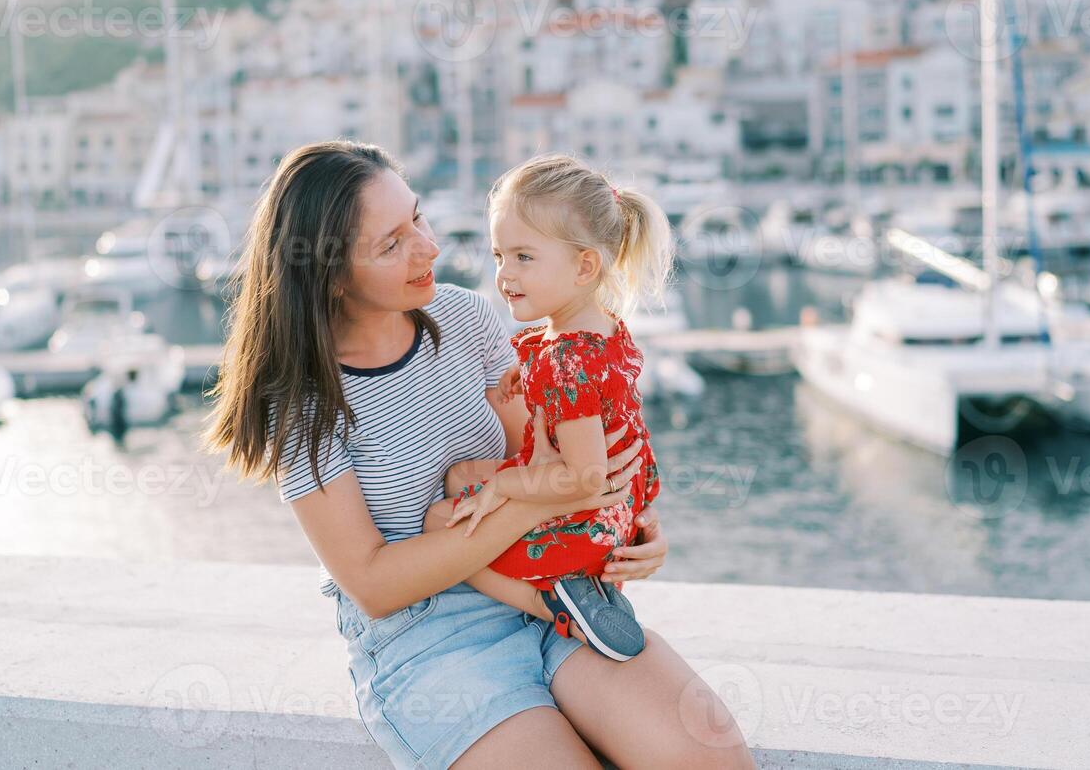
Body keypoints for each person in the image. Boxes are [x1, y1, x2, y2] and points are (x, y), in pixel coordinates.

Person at [204, 140, 751, 769]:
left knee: (710, 758)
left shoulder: (468, 317)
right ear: (329, 273)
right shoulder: (302, 401)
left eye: (418, 217)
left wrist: (623, 520)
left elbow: (545, 460)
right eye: (391, 244)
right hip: (431, 639)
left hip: (554, 594)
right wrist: (540, 499)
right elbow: (375, 585)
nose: (429, 247)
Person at [425, 154, 672, 664]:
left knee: (437, 523)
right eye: (498, 256)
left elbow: (582, 478)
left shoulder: (565, 362)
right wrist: (526, 366)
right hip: (623, 506)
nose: (503, 274)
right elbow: (593, 393)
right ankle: (574, 587)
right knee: (457, 476)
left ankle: (551, 600)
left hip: (586, 516)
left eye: (524, 257)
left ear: (585, 266)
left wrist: (501, 486)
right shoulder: (598, 328)